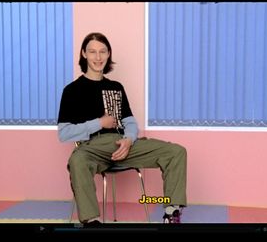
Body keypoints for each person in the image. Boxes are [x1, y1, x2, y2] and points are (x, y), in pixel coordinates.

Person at [57, 32, 187, 224]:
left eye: (103, 52)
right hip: (93, 147)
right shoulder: (71, 91)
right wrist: (99, 123)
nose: (98, 57)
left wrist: (128, 139)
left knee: (176, 152)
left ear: (109, 54)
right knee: (77, 160)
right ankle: (92, 220)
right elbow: (64, 133)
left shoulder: (116, 87)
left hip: (122, 143)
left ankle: (171, 213)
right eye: (92, 52)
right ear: (84, 54)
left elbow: (130, 122)